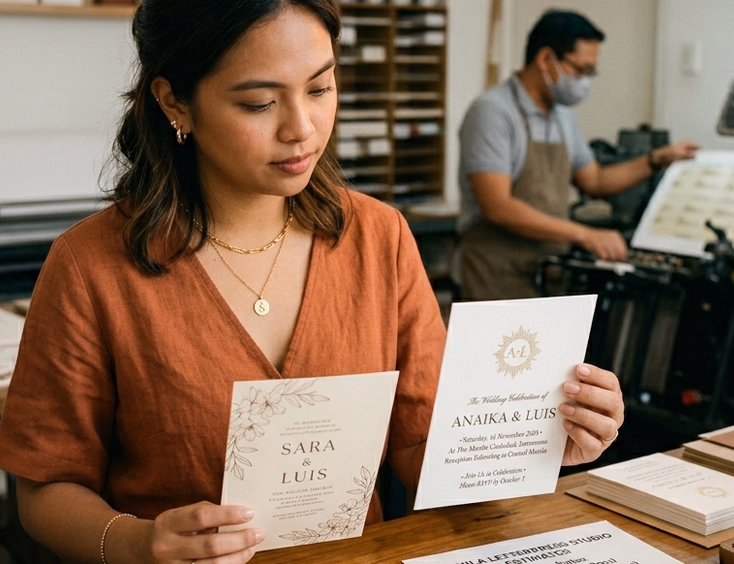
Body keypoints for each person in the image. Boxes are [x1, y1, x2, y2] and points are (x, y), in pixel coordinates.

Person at [0, 2, 624, 562]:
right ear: (175, 102)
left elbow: (419, 448)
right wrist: (139, 544)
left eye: (321, 87)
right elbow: (46, 488)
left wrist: (529, 447)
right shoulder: (89, 267)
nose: (302, 127)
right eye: (258, 103)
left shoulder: (380, 239)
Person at [458, 9, 700, 301]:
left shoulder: (561, 116)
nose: (586, 82)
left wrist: (656, 159)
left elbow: (595, 181)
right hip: (495, 274)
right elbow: (497, 205)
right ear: (546, 59)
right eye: (581, 70)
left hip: (547, 271)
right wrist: (585, 234)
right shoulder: (493, 112)